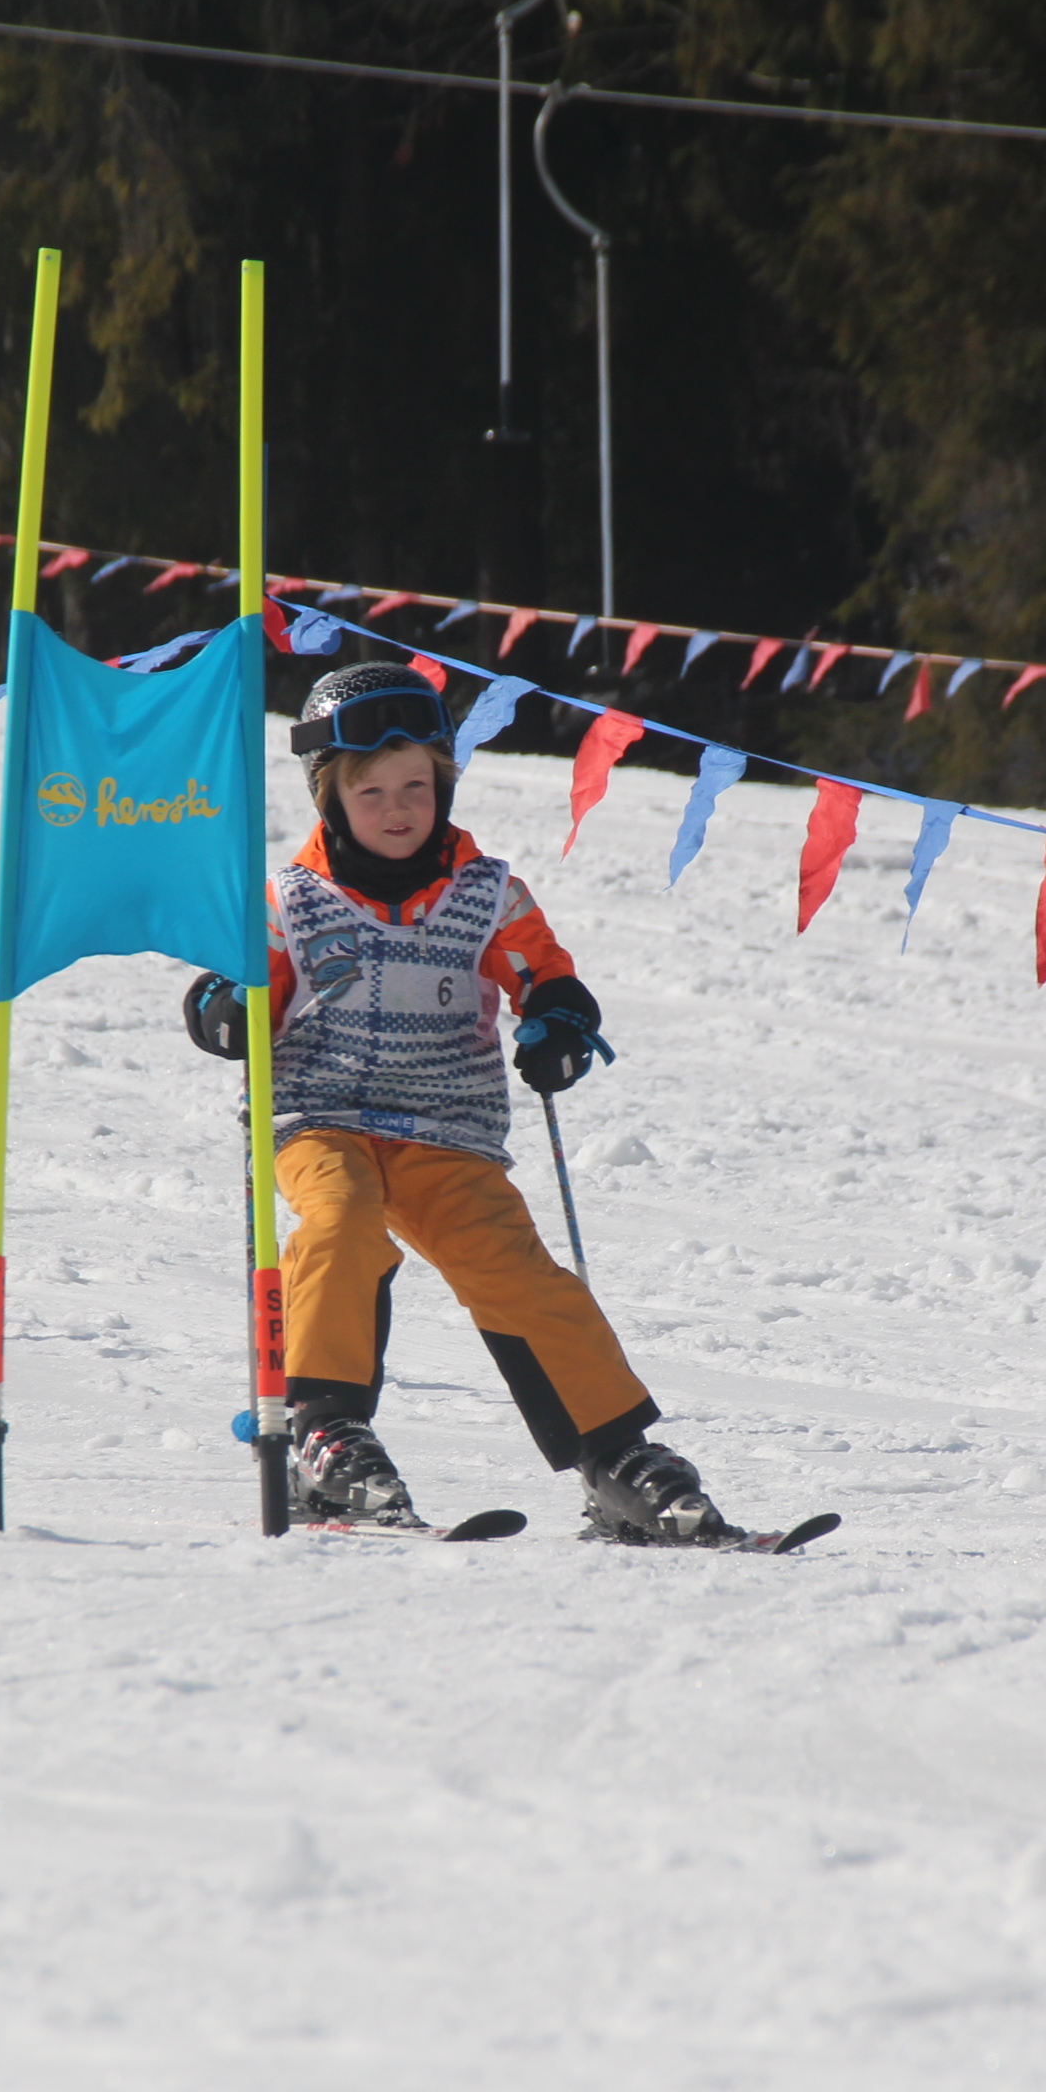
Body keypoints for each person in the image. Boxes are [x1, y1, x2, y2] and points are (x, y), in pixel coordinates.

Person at [179, 662, 743, 1544]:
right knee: (341, 1223)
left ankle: (614, 1456)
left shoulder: (487, 894)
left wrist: (558, 1020)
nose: (398, 809)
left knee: (510, 1264)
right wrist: (222, 1007)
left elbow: (544, 973)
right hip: (319, 1117)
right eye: (371, 792)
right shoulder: (291, 901)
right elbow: (241, 986)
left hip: (445, 1128)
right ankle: (322, 1432)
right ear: (331, 797)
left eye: (417, 786)